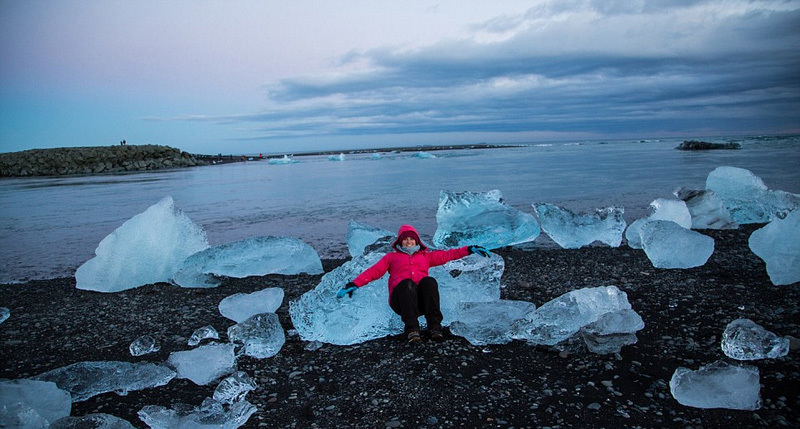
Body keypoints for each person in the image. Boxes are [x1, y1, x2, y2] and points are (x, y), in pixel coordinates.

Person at [338, 224, 490, 343]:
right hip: (402, 302)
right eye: (405, 239)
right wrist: (354, 284)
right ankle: (412, 329)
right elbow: (374, 271)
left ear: (417, 241)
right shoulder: (391, 258)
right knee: (406, 284)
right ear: (400, 242)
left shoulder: (425, 257)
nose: (408, 241)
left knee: (429, 281)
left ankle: (435, 327)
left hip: (421, 303)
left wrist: (470, 249)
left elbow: (448, 254)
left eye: (411, 239)